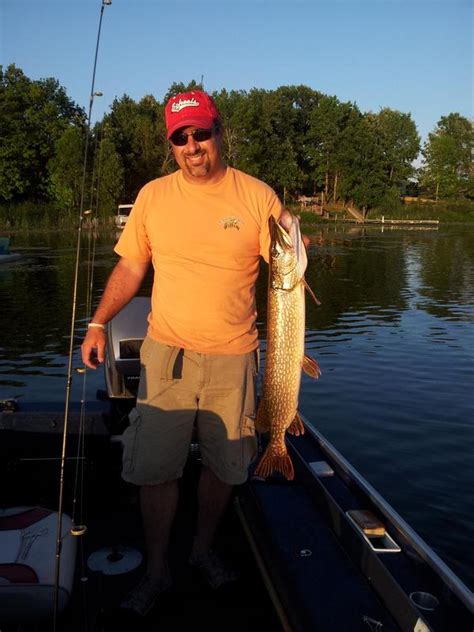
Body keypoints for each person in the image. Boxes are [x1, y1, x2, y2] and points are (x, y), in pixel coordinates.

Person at [81, 90, 286, 617]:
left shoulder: (258, 196)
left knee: (224, 468)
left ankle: (200, 552)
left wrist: (300, 248)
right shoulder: (153, 196)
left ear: (219, 131)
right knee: (156, 470)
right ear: (171, 144)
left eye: (201, 132)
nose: (193, 146)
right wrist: (99, 322)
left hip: (235, 359)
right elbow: (130, 268)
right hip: (166, 356)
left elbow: (287, 269)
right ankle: (156, 570)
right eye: (181, 137)